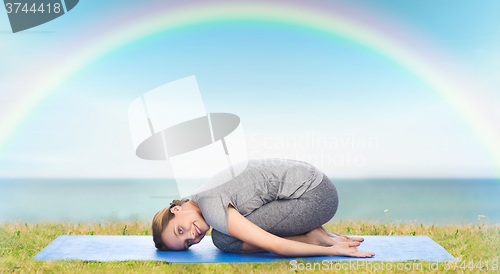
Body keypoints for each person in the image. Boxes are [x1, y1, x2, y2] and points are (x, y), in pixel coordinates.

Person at [152, 158, 374, 257]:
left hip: (316, 198)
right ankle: (314, 232)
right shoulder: (203, 193)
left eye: (180, 230)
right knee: (224, 234)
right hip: (317, 184)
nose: (193, 236)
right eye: (188, 243)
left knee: (223, 239)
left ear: (176, 210)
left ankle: (312, 237)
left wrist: (331, 250)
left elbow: (277, 246)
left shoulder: (211, 207)